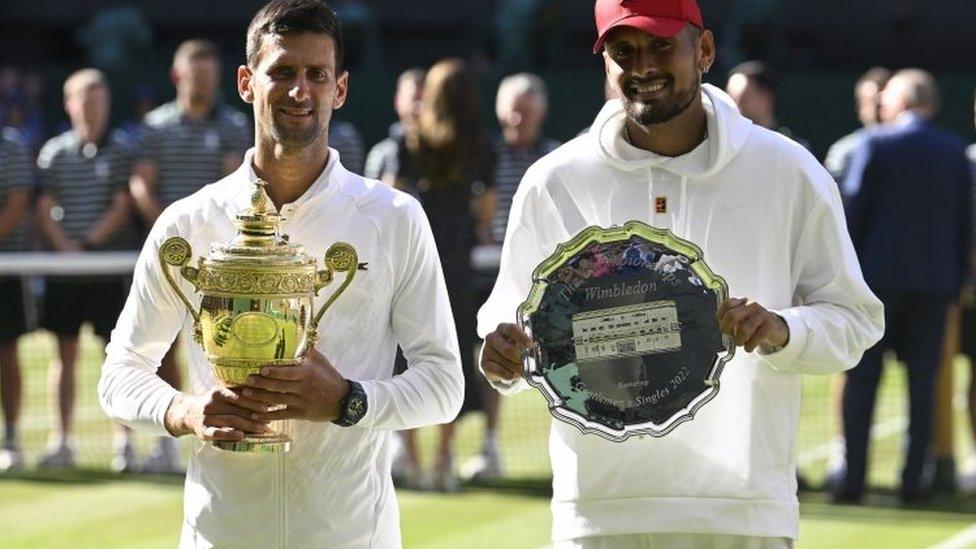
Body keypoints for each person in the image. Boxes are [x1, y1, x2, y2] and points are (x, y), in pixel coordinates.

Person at [477, 0, 884, 546]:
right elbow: (511, 325)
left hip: (744, 513)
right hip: (599, 515)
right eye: (623, 51)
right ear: (605, 64)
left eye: (661, 45)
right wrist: (502, 357)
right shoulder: (554, 182)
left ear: (706, 50)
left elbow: (855, 321)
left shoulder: (789, 172)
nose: (642, 66)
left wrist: (784, 331)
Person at [98, 1, 462, 546]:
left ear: (340, 89)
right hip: (222, 531)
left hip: (350, 534)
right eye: (283, 72)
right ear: (247, 83)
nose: (300, 91)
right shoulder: (187, 223)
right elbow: (119, 374)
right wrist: (184, 410)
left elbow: (443, 384)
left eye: (317, 75)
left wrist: (347, 401)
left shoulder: (394, 218)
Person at [838, 69, 972, 504]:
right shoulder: (954, 152)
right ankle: (914, 484)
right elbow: (964, 228)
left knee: (862, 384)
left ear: (895, 103)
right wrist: (957, 285)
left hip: (876, 287)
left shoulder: (874, 144)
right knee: (923, 389)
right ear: (930, 104)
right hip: (934, 288)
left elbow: (852, 218)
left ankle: (853, 481)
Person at [129, 39, 250, 473]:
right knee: (158, 350)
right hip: (167, 258)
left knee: (219, 349)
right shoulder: (155, 128)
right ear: (178, 76)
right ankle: (160, 438)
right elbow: (142, 184)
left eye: (210, 74)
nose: (204, 82)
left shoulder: (235, 126)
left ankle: (225, 427)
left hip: (219, 263)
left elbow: (233, 185)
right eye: (196, 73)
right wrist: (170, 234)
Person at [383, 58, 496, 491]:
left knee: (403, 358)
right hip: (457, 265)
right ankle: (444, 463)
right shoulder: (482, 145)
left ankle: (411, 461)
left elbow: (395, 198)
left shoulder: (409, 141)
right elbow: (485, 209)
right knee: (453, 358)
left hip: (415, 261)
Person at [35, 69, 139, 470]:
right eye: (84, 99)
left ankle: (124, 444)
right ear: (69, 104)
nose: (93, 107)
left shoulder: (121, 150)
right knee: (64, 356)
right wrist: (68, 250)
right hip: (67, 273)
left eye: (99, 99)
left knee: (117, 357)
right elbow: (44, 210)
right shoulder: (54, 153)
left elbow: (121, 205)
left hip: (109, 272)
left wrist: (90, 245)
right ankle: (61, 441)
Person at [463, 72, 560, 482]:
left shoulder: (555, 157)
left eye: (527, 113)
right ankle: (488, 447)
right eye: (513, 112)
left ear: (541, 114)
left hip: (546, 276)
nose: (518, 121)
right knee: (494, 353)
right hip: (487, 268)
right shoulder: (484, 154)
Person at [364, 66, 427, 489]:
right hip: (389, 272)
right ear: (398, 101)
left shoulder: (444, 150)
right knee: (391, 362)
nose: (419, 103)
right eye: (412, 95)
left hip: (433, 268)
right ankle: (400, 449)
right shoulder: (385, 152)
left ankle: (426, 458)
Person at [0, 126, 33, 472]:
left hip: (5, 269)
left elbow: (18, 201)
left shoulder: (10, 146)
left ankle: (10, 437)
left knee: (6, 352)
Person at [726, 60, 813, 152]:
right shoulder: (721, 148)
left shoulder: (794, 149)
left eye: (743, 99)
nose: (734, 106)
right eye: (729, 99)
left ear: (765, 98)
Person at [824, 67, 891, 184]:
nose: (877, 107)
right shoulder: (844, 150)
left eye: (882, 101)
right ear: (860, 107)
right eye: (871, 101)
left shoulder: (913, 148)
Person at [364, 67, 424, 182]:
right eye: (414, 98)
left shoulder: (440, 154)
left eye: (425, 99)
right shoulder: (381, 153)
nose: (419, 107)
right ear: (398, 101)